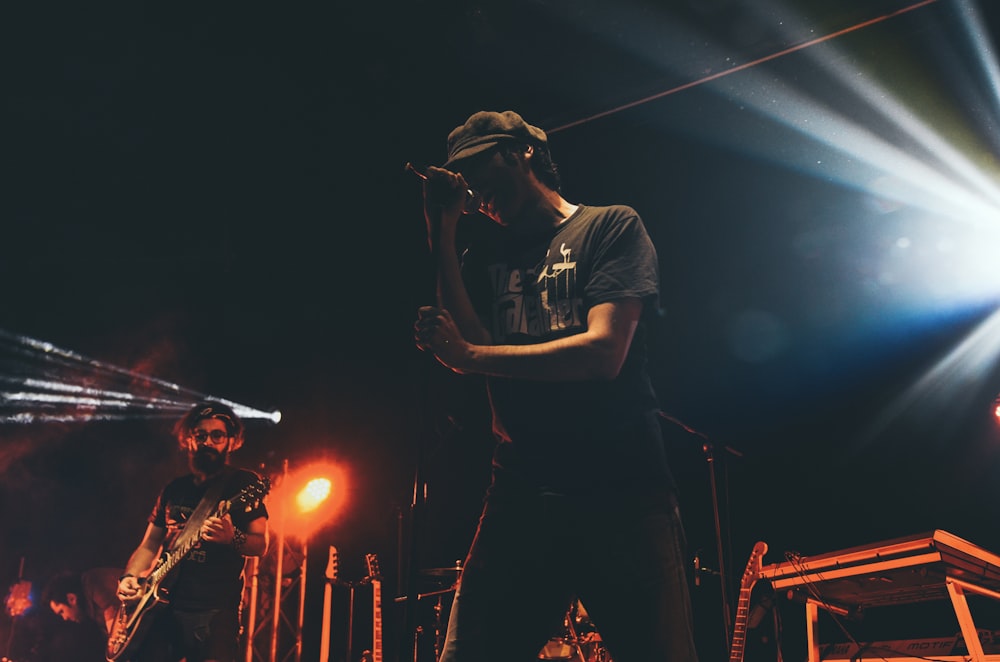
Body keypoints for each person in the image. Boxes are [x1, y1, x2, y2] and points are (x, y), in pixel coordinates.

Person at [413, 110, 700, 661]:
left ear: (523, 152)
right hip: (522, 491)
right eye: (463, 176)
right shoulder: (487, 254)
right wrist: (441, 233)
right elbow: (469, 350)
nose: (473, 186)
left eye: (481, 165)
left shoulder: (610, 226)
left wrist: (471, 354)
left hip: (623, 489)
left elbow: (602, 353)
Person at [115, 401, 269, 662]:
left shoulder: (243, 484)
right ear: (189, 440)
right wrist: (130, 577)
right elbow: (150, 544)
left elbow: (260, 544)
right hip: (161, 607)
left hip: (215, 612)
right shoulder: (174, 489)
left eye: (217, 435)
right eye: (201, 435)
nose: (208, 441)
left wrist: (233, 537)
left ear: (230, 441)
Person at [44, 567, 121, 634]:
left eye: (61, 611)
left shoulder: (91, 581)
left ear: (71, 599)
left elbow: (113, 611)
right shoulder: (89, 611)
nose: (65, 618)